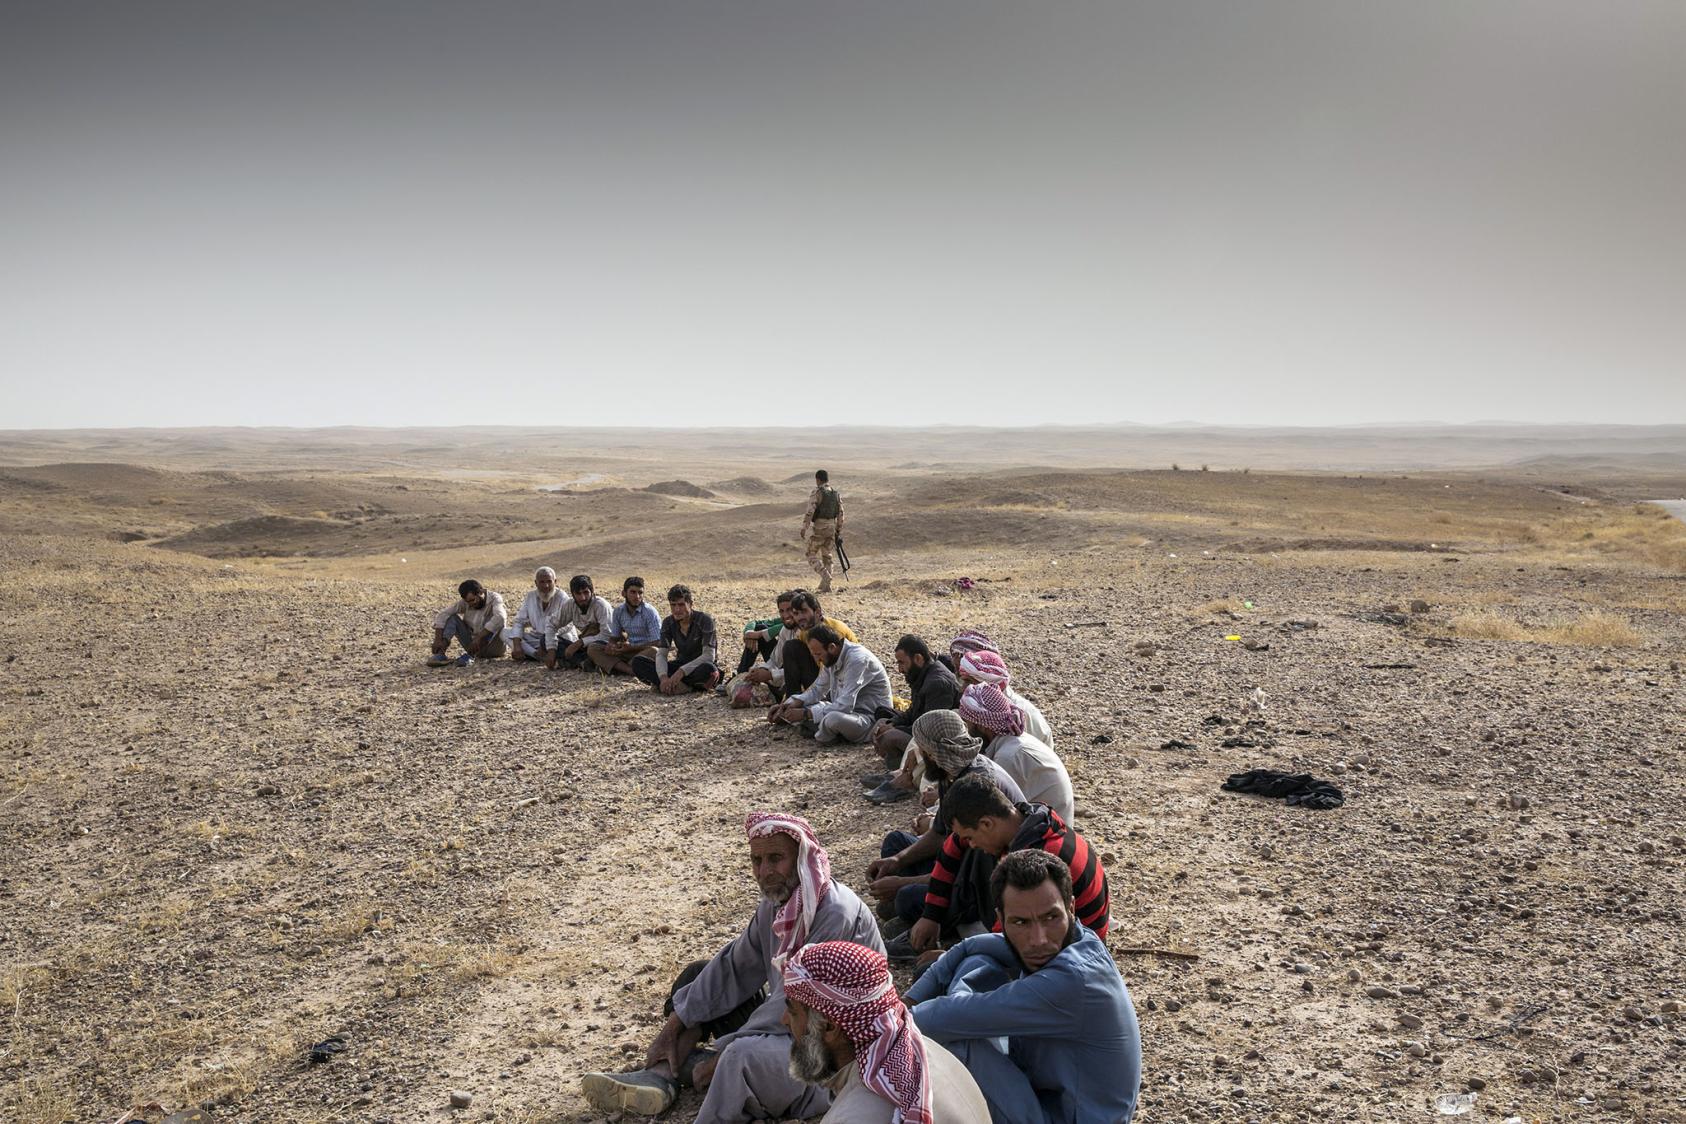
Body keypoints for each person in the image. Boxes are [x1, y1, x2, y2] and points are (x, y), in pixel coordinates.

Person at [581, 813, 885, 1123]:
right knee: (700, 976)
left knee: (740, 1056)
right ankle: (667, 1072)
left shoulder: (834, 912)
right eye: (757, 860)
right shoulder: (776, 902)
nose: (764, 872)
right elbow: (734, 967)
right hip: (788, 1021)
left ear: (801, 858)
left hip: (829, 1050)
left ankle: (687, 1069)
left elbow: (798, 1006)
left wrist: (732, 1047)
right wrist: (674, 1024)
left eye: (776, 858)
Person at [906, 851, 1141, 1124]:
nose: (1038, 939)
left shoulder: (1073, 980)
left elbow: (941, 1018)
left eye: (1050, 918)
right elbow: (971, 945)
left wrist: (884, 1021)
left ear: (1071, 909)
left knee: (955, 1039)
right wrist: (911, 998)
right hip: (1045, 1092)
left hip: (1066, 1117)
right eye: (1020, 922)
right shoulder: (1076, 938)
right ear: (1001, 918)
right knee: (977, 962)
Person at [781, 941, 991, 1124]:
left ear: (829, 1027)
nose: (784, 1021)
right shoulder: (925, 1049)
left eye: (792, 1012)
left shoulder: (852, 1116)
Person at [907, 775, 1109, 956]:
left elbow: (1013, 939)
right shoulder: (1028, 819)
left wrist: (950, 957)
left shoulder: (1035, 863)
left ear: (986, 824)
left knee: (934, 971)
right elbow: (954, 844)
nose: (972, 844)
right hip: (1044, 931)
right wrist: (930, 915)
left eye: (970, 837)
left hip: (1072, 953)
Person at [866, 712, 1024, 942]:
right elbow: (940, 834)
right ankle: (911, 913)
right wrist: (898, 860)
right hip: (959, 862)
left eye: (921, 749)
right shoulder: (950, 773)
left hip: (983, 879)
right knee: (896, 843)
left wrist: (902, 884)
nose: (918, 755)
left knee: (906, 897)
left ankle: (937, 930)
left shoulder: (976, 786)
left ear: (932, 752)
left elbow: (965, 872)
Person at [862, 636, 963, 804]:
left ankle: (905, 779)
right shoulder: (922, 674)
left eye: (902, 663)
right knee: (882, 720)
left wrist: (893, 731)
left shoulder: (937, 683)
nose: (900, 669)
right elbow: (913, 712)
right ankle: (899, 771)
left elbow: (933, 730)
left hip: (940, 743)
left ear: (918, 658)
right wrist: (892, 723)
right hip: (922, 730)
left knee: (889, 737)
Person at [957, 685, 1073, 824]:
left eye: (967, 724)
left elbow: (988, 808)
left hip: (1045, 834)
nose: (966, 731)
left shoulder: (1010, 756)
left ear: (982, 725)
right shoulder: (1011, 743)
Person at [767, 626, 891, 745]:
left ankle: (822, 731)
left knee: (832, 719)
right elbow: (817, 690)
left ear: (831, 647)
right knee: (809, 706)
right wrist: (788, 705)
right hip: (847, 711)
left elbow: (845, 705)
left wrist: (805, 714)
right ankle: (822, 729)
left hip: (868, 719)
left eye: (818, 654)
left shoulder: (857, 660)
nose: (817, 659)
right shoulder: (832, 658)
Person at [955, 650, 1055, 750]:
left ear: (989, 681)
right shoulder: (993, 706)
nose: (963, 688)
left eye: (968, 682)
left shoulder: (1013, 713)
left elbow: (1015, 754)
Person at [633, 584, 722, 694]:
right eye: (673, 605)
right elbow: (661, 654)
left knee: (710, 671)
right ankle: (673, 685)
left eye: (681, 605)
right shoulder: (668, 622)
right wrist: (663, 677)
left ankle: (683, 687)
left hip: (698, 666)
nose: (677, 609)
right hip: (679, 664)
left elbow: (709, 656)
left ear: (690, 604)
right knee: (638, 662)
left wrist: (681, 672)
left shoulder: (705, 620)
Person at [781, 591, 858, 697]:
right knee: (791, 647)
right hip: (824, 679)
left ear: (817, 612)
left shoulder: (834, 632)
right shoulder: (805, 632)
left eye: (804, 612)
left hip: (845, 683)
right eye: (796, 614)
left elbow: (832, 668)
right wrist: (788, 701)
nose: (800, 618)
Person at [588, 576, 663, 676]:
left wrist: (632, 648)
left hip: (644, 651)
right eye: (633, 592)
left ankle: (617, 667)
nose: (637, 597)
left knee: (655, 651)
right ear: (624, 594)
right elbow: (614, 637)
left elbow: (658, 643)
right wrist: (611, 646)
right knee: (593, 647)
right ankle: (630, 670)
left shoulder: (649, 612)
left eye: (640, 593)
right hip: (626, 651)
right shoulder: (618, 611)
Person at [428, 579, 507, 666]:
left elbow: (501, 617)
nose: (470, 604)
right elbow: (444, 614)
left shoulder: (495, 599)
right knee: (452, 618)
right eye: (467, 602)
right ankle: (440, 654)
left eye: (472, 600)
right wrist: (438, 639)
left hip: (493, 647)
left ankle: (470, 656)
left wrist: (479, 637)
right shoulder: (467, 602)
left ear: (480, 592)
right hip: (472, 646)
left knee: (496, 622)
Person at [554, 574, 615, 670]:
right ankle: (583, 662)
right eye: (578, 594)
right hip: (585, 645)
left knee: (594, 649)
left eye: (586, 592)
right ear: (573, 594)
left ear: (592, 591)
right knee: (546, 640)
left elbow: (607, 635)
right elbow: (552, 624)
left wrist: (580, 643)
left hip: (601, 645)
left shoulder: (601, 606)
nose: (583, 597)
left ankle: (577, 662)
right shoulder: (570, 605)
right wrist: (549, 650)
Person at [509, 566, 567, 665]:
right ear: (536, 583)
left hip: (557, 638)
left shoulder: (562, 597)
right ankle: (536, 654)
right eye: (542, 582)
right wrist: (517, 645)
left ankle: (532, 653)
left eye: (549, 581)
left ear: (555, 582)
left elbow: (567, 625)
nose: (546, 586)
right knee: (505, 633)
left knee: (567, 639)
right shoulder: (530, 596)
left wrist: (545, 641)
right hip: (536, 638)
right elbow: (519, 621)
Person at [802, 469, 844, 593]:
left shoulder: (817, 492)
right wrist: (838, 530)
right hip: (831, 528)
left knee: (810, 554)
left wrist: (804, 527)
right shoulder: (836, 494)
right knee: (827, 556)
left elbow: (810, 511)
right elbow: (841, 513)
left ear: (818, 479)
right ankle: (826, 586)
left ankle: (825, 576)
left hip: (820, 528)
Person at [737, 593, 796, 675]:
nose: (785, 615)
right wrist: (749, 633)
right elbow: (775, 661)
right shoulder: (785, 629)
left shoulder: (806, 630)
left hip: (795, 679)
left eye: (789, 610)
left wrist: (760, 634)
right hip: (780, 673)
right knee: (759, 627)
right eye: (782, 611)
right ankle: (741, 674)